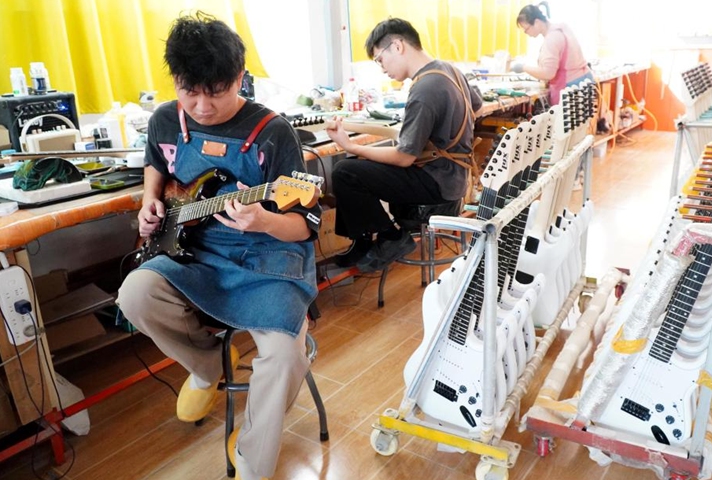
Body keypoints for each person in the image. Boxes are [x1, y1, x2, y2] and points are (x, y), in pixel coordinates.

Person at [115, 12, 320, 480]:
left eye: (218, 91)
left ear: (241, 79)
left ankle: (253, 458)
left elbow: (306, 225)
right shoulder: (166, 119)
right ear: (175, 81)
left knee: (285, 354)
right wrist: (150, 201)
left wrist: (268, 219)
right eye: (191, 91)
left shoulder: (274, 132)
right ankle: (209, 366)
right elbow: (156, 164)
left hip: (268, 258)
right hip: (196, 252)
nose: (203, 107)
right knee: (134, 295)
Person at [325, 17, 483, 273]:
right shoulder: (448, 69)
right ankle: (363, 241)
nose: (382, 68)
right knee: (356, 168)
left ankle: (391, 237)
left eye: (380, 60)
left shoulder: (425, 89)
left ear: (397, 46)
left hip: (437, 183)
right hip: (454, 176)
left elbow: (404, 158)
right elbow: (477, 105)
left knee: (345, 170)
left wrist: (351, 145)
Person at [512, 2, 594, 106]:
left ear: (537, 22)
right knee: (582, 122)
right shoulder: (561, 28)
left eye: (526, 29)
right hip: (583, 83)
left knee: (565, 122)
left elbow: (548, 73)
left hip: (571, 87)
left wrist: (523, 68)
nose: (526, 33)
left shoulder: (552, 38)